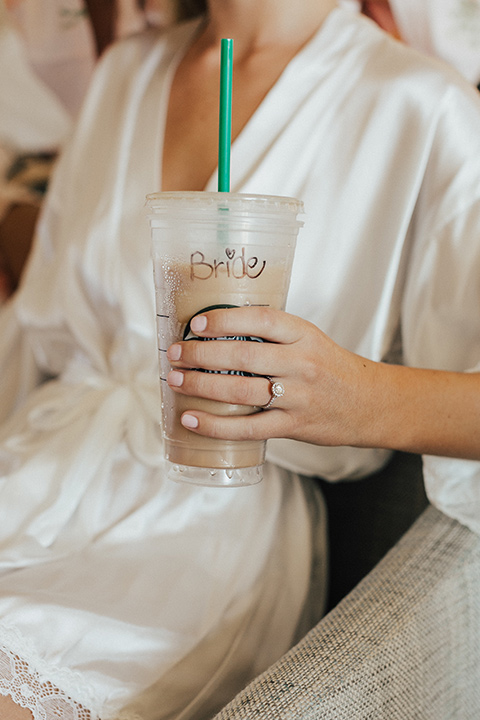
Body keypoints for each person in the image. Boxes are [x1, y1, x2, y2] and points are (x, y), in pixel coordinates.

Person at [0, 0, 480, 718]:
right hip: (38, 469)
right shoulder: (125, 73)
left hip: (198, 536)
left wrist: (356, 395)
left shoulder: (421, 107)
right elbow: (34, 339)